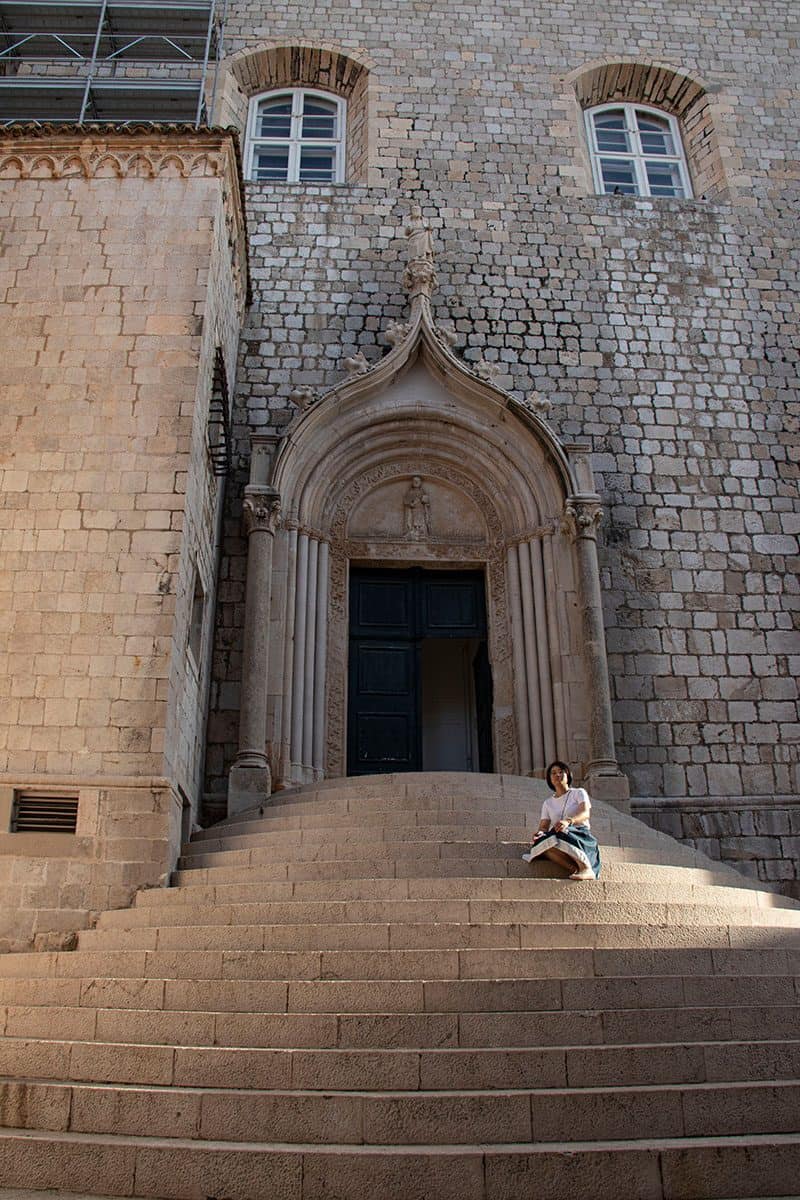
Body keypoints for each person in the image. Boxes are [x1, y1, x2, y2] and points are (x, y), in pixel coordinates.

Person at [521, 761, 600, 880]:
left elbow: (585, 813)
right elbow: (543, 827)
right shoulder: (548, 803)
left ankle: (586, 868)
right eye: (553, 773)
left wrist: (568, 821)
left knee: (561, 833)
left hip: (579, 834)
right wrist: (539, 833)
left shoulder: (579, 793)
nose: (557, 775)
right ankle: (574, 869)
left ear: (568, 775)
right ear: (549, 779)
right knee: (541, 842)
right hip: (559, 834)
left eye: (561, 772)